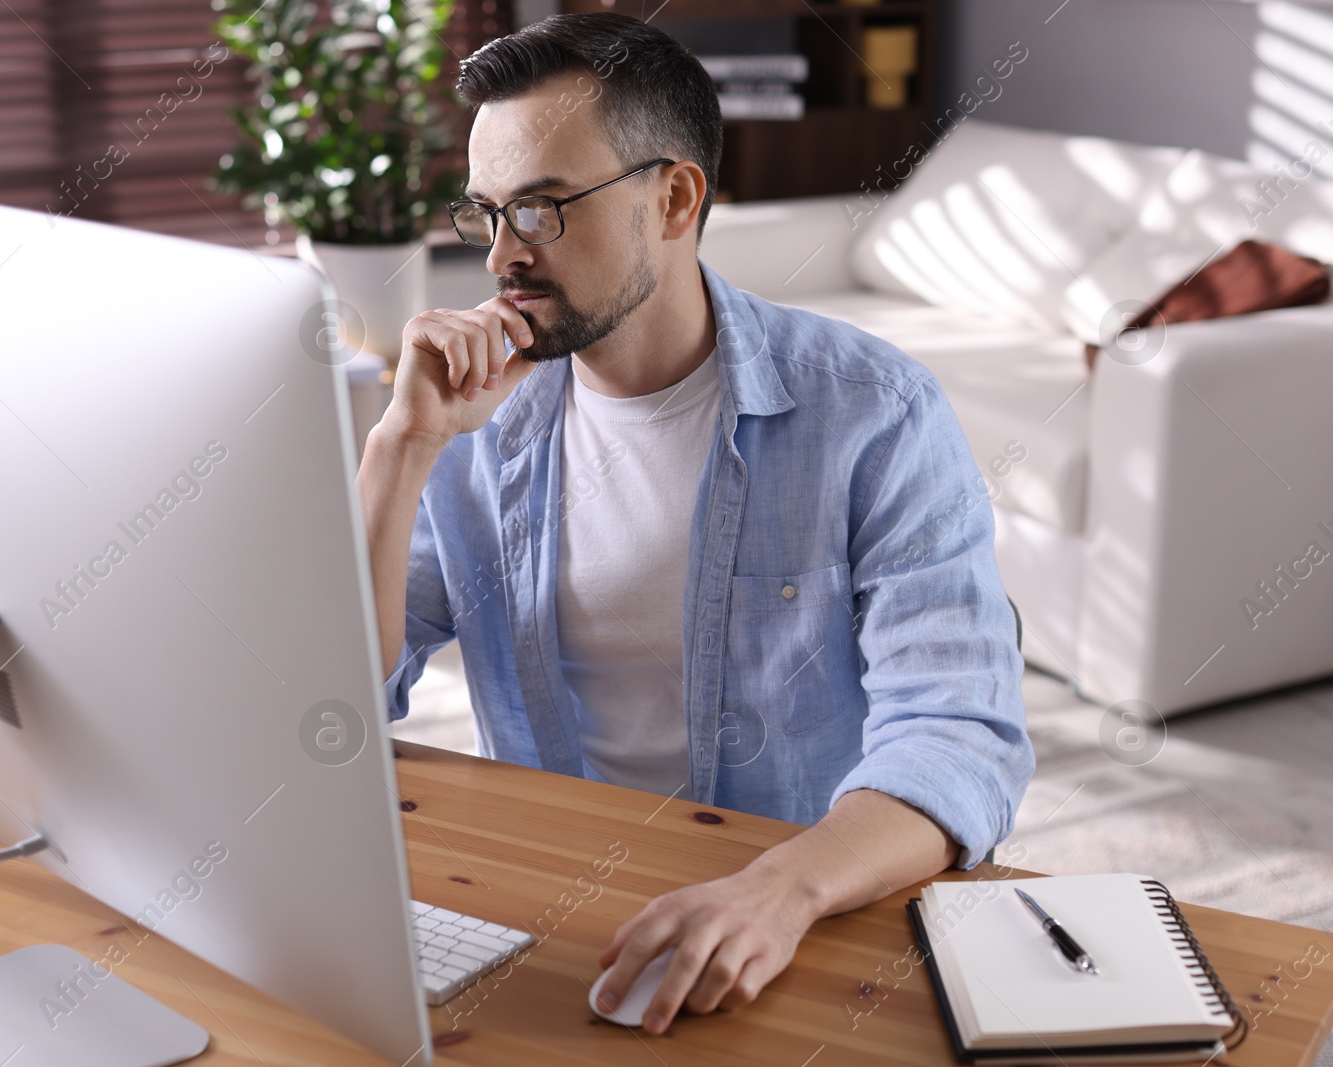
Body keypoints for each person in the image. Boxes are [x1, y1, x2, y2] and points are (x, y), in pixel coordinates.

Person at [355, 11, 1034, 1035]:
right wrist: (398, 450)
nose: (499, 256)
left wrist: (781, 888)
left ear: (673, 198)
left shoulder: (872, 411)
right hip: (559, 910)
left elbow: (959, 735)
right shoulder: (473, 421)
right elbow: (336, 705)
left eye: (540, 211)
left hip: (798, 909)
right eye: (484, 214)